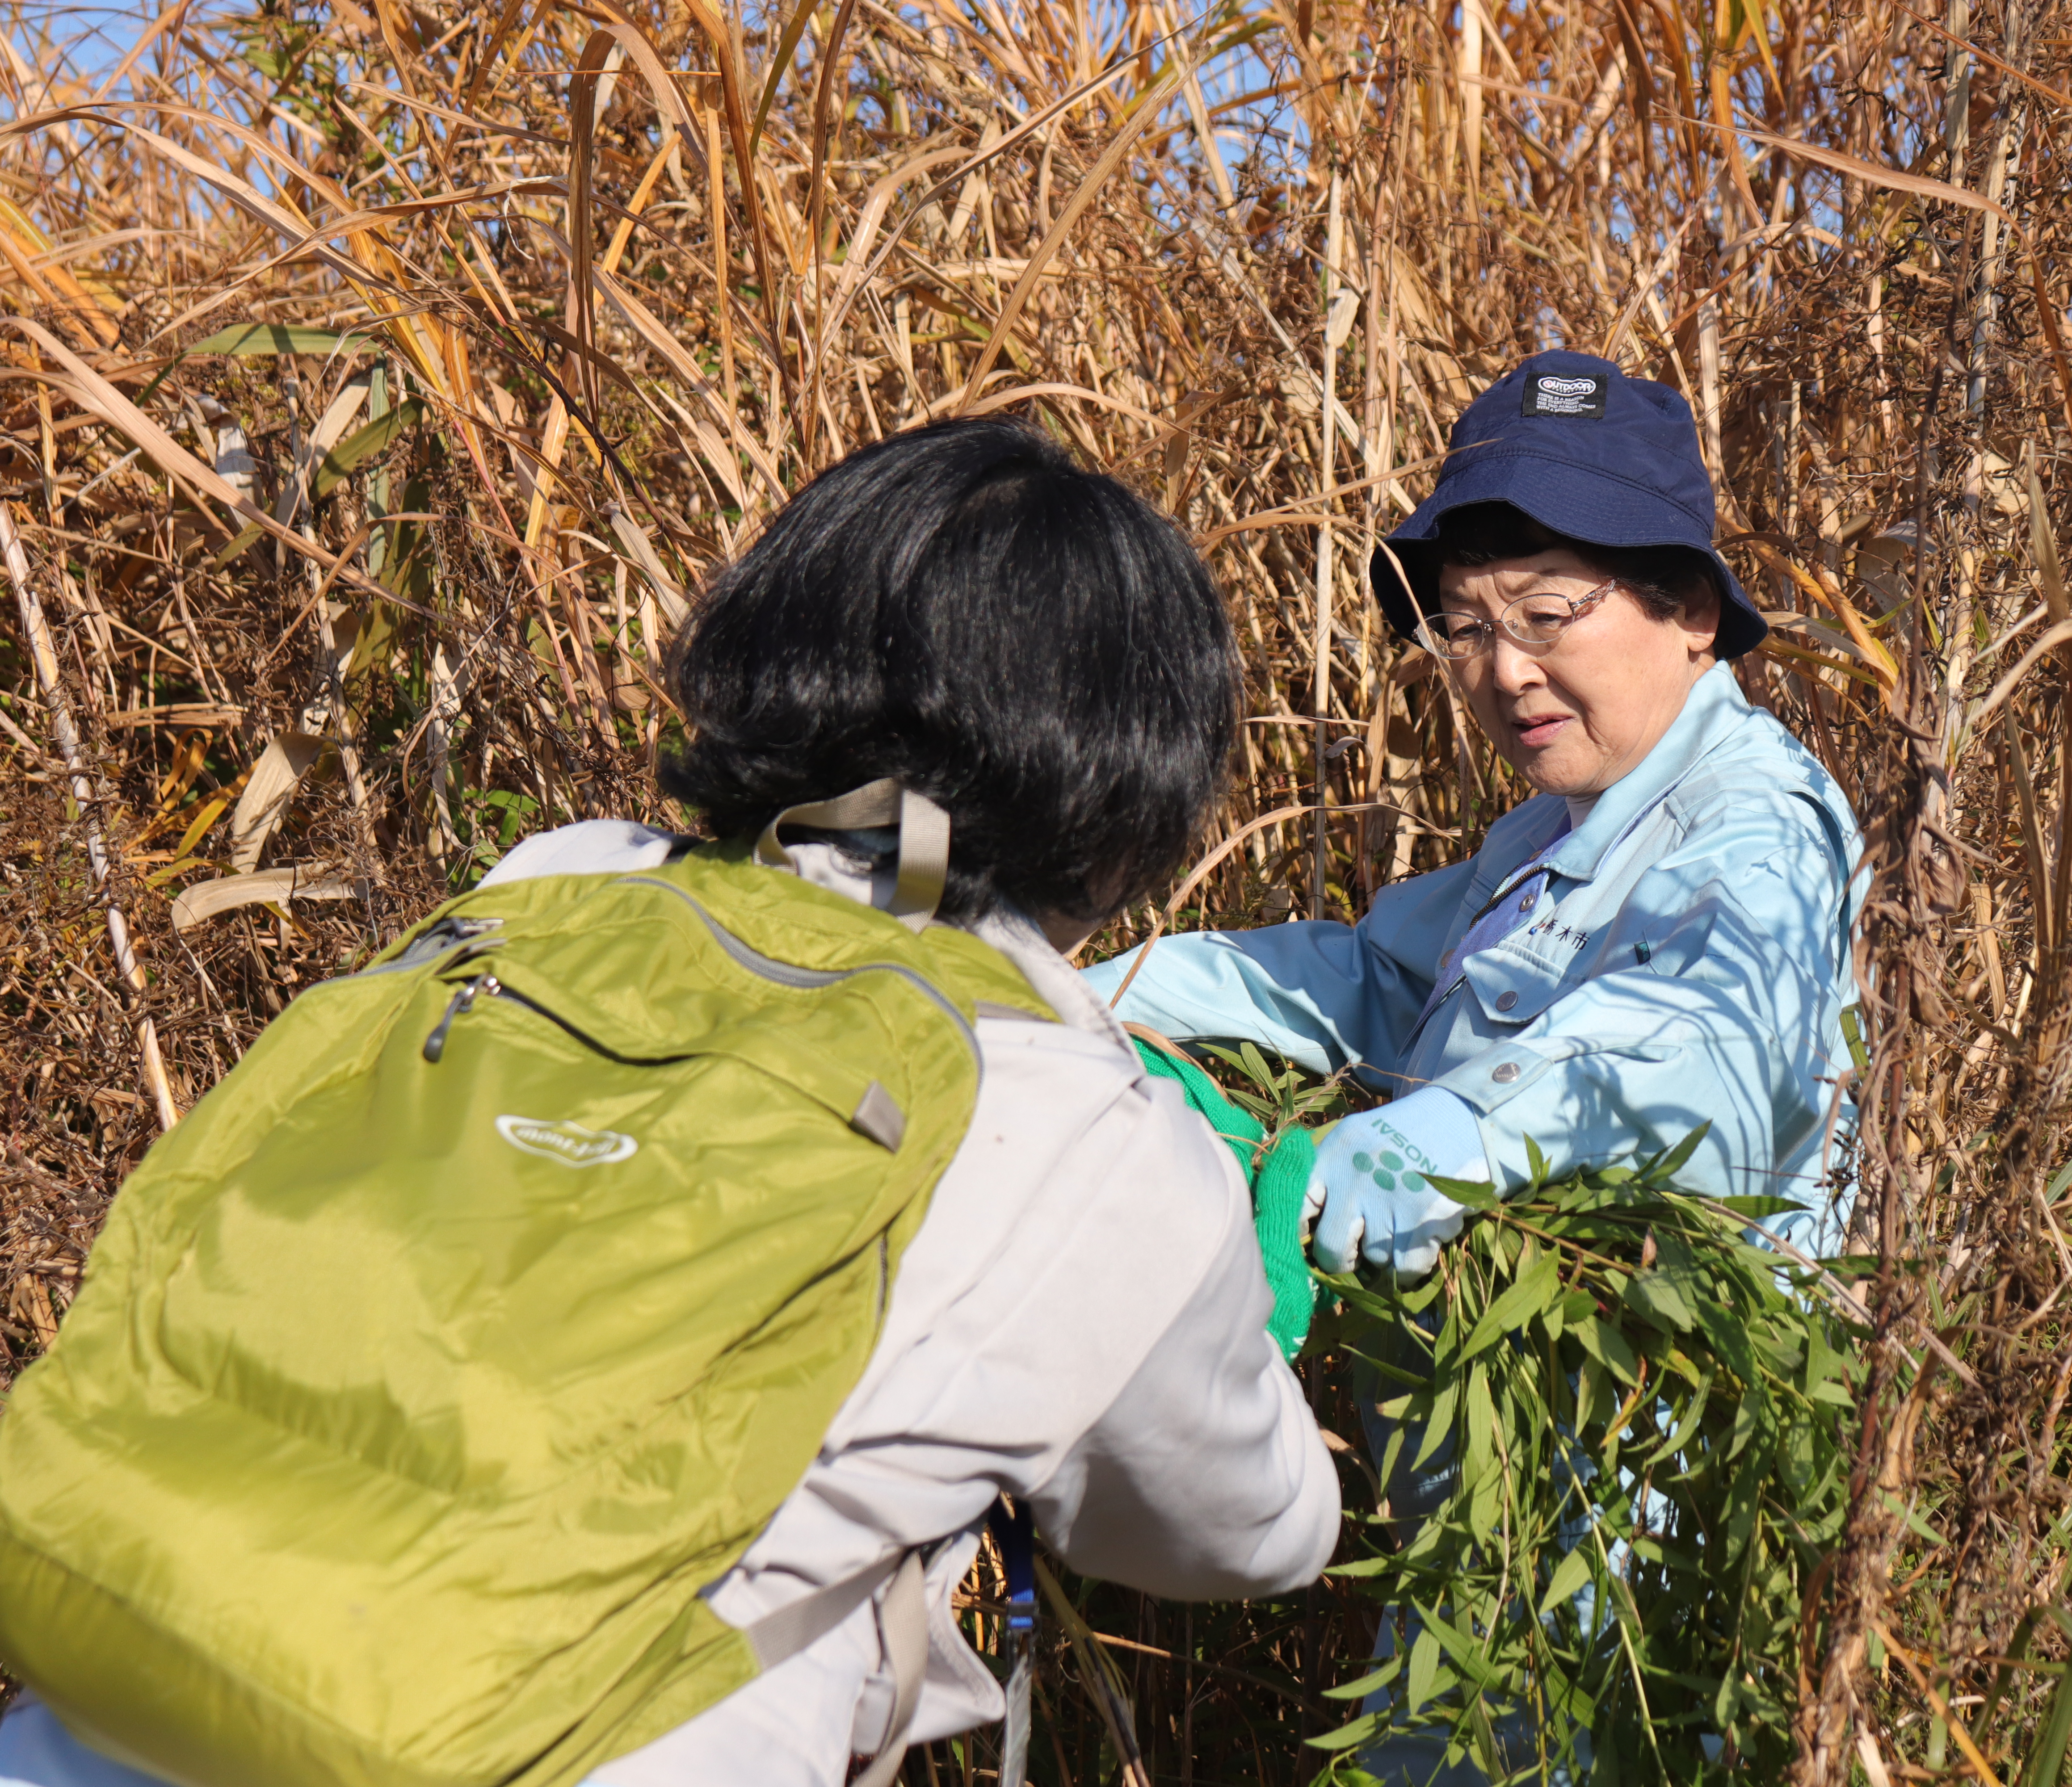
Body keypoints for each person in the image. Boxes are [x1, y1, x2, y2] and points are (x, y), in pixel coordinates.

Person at [0, 420, 1338, 1787]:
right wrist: (1245, 1304)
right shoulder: (1096, 1133)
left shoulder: (553, 883)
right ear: (1133, 772)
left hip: (112, 1678)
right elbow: (1244, 1536)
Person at [1088, 349, 1864, 1284]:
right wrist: (1089, 997)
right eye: (1465, 626)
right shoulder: (1552, 831)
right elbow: (1373, 982)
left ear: (1693, 610)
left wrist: (1466, 1129)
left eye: (1545, 612)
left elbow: (1706, 1041)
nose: (1503, 671)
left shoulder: (1759, 831)